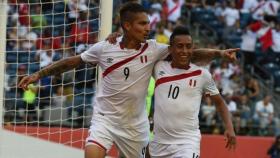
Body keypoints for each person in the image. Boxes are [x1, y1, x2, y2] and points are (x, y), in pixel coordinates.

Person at [19, 2, 238, 158]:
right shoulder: (105, 48)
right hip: (105, 119)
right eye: (142, 24)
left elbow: (188, 53)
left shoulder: (153, 49)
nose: (148, 28)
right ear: (126, 25)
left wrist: (218, 54)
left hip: (136, 126)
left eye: (148, 23)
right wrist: (39, 74)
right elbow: (72, 62)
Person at [149, 26, 236, 158]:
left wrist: (230, 127)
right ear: (170, 48)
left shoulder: (202, 74)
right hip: (158, 144)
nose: (184, 50)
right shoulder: (158, 67)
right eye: (180, 46)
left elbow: (220, 103)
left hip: (187, 143)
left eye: (188, 46)